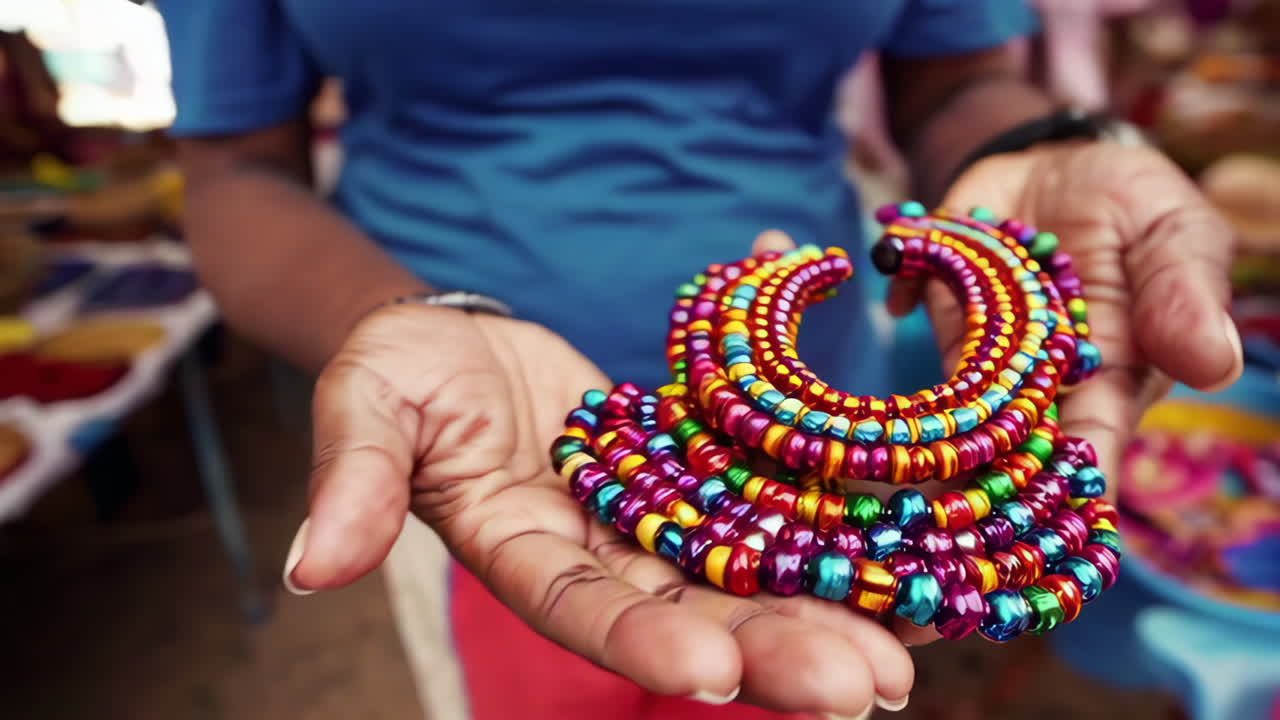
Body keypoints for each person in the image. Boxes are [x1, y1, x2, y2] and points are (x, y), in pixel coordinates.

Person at [155, 1, 1243, 718]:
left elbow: (955, 85)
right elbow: (238, 167)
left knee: (794, 684)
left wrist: (1039, 152)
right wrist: (402, 316)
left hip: (829, 460)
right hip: (482, 455)